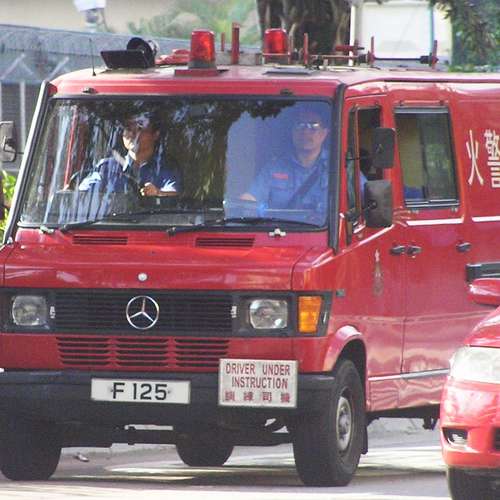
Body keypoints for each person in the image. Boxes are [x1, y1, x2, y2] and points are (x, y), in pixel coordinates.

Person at [240, 108, 329, 213]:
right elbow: (252, 197)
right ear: (292, 132)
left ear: (324, 133)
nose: (305, 132)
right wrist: (242, 204)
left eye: (313, 126)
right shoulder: (274, 167)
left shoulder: (336, 167)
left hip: (324, 224)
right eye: (299, 125)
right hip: (281, 224)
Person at [78, 112, 181, 198]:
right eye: (128, 128)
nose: (132, 134)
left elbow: (174, 195)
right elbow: (81, 193)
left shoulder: (166, 167)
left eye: (139, 128)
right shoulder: (107, 167)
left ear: (155, 135)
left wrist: (158, 193)